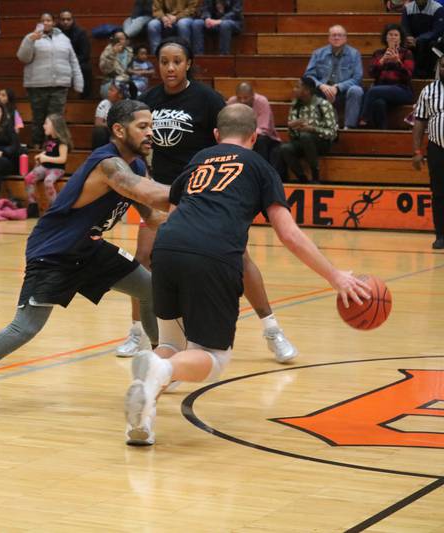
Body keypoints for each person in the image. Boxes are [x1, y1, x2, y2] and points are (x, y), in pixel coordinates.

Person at [123, 104, 371, 446]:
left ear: (216, 135)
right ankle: (160, 369)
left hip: (166, 247)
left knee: (169, 343)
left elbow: (176, 210)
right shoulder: (260, 166)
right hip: (212, 253)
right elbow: (288, 233)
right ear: (254, 136)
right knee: (214, 356)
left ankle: (144, 419)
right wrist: (335, 276)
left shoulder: (200, 159)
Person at [0, 99, 172, 417]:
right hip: (54, 251)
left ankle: (159, 368)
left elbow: (153, 216)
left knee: (150, 288)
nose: (150, 133)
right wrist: (205, 187)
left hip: (89, 248)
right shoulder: (109, 165)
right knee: (25, 328)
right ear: (118, 130)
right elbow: (150, 194)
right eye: (143, 127)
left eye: (151, 126)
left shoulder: (137, 166)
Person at [123, 38, 298, 364]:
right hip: (162, 191)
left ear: (188, 63)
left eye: (177, 61)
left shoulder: (206, 99)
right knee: (144, 256)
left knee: (240, 260)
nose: (170, 68)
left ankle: (272, 328)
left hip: (204, 192)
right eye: (164, 62)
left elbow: (235, 135)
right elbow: (135, 140)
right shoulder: (148, 100)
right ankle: (137, 332)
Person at [17, 12, 84, 147]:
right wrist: (30, 40)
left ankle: (53, 147)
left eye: (49, 20)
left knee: (56, 118)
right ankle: (37, 146)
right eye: (43, 20)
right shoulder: (31, 37)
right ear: (39, 23)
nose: (46, 23)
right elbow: (23, 58)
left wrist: (78, 82)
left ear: (54, 22)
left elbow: (73, 61)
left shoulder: (64, 39)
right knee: (38, 118)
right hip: (37, 85)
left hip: (60, 85)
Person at [278, 77, 338, 183]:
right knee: (284, 148)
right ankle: (302, 178)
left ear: (307, 90)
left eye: (297, 87)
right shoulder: (295, 105)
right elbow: (293, 136)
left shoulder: (323, 105)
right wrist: (292, 127)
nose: (294, 89)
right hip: (303, 141)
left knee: (306, 136)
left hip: (322, 143)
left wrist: (313, 129)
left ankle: (315, 174)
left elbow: (332, 133)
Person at [411, 54, 444, 249]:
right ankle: (441, 234)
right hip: (437, 148)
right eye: (443, 66)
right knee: (439, 193)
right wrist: (417, 150)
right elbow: (420, 121)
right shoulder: (429, 91)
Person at [303, 25, 364, 130]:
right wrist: (321, 85)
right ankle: (315, 125)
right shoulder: (318, 53)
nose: (336, 38)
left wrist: (338, 87)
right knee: (307, 88)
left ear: (345, 38)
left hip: (344, 91)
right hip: (322, 91)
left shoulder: (354, 54)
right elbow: (308, 75)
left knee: (356, 90)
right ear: (329, 38)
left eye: (340, 35)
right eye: (333, 35)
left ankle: (349, 127)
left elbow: (357, 78)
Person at [361, 24, 415, 129]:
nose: (393, 37)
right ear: (386, 37)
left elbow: (408, 76)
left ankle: (364, 119)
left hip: (402, 90)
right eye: (390, 35)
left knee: (372, 91)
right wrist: (382, 61)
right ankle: (382, 131)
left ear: (400, 38)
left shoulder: (407, 53)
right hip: (382, 89)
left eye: (396, 35)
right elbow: (371, 73)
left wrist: (398, 62)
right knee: (379, 103)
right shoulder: (378, 53)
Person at [24, 113, 71, 213]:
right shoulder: (49, 140)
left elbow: (63, 159)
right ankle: (33, 205)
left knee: (48, 181)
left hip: (57, 169)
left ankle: (54, 207)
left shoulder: (62, 142)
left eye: (46, 123)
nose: (43, 126)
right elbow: (48, 151)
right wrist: (41, 155)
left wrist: (46, 158)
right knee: (28, 178)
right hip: (45, 167)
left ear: (54, 125)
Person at [227, 82, 281, 164]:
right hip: (240, 136)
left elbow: (264, 129)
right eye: (239, 98)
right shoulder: (232, 102)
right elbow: (229, 124)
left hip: (263, 137)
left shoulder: (262, 101)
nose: (242, 101)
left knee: (260, 140)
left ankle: (261, 170)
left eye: (245, 98)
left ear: (252, 96)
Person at [401, 0, 444, 78]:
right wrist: (408, 37)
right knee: (404, 44)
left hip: (431, 42)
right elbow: (404, 27)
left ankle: (429, 75)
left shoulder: (438, 8)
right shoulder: (407, 8)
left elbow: (437, 31)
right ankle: (409, 75)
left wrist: (418, 39)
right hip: (413, 41)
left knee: (432, 45)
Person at [58, 10, 93, 99]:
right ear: (59, 20)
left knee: (86, 68)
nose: (65, 22)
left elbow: (85, 54)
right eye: (63, 19)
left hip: (76, 62)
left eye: (68, 19)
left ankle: (85, 98)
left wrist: (71, 63)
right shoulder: (55, 32)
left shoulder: (81, 33)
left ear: (72, 20)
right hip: (58, 62)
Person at [93, 79, 131, 149]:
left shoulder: (128, 105)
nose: (108, 92)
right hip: (109, 131)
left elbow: (126, 124)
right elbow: (98, 123)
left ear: (120, 94)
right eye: (109, 90)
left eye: (111, 90)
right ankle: (98, 154)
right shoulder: (104, 103)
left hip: (123, 132)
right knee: (99, 131)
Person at [100, 30, 134, 98]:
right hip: (110, 80)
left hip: (126, 80)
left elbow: (130, 69)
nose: (120, 41)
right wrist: (113, 53)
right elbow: (105, 70)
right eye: (117, 39)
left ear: (126, 41)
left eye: (122, 39)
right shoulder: (108, 51)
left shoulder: (130, 52)